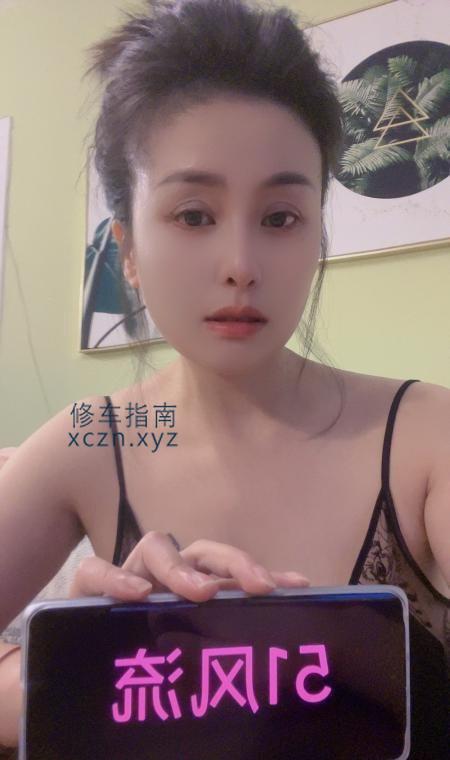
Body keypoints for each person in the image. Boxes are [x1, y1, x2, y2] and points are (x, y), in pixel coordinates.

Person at [0, 0, 448, 756]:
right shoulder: (96, 436)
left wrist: (329, 661)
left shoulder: (424, 436)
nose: (240, 264)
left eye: (279, 218)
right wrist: (70, 668)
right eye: (193, 214)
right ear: (127, 250)